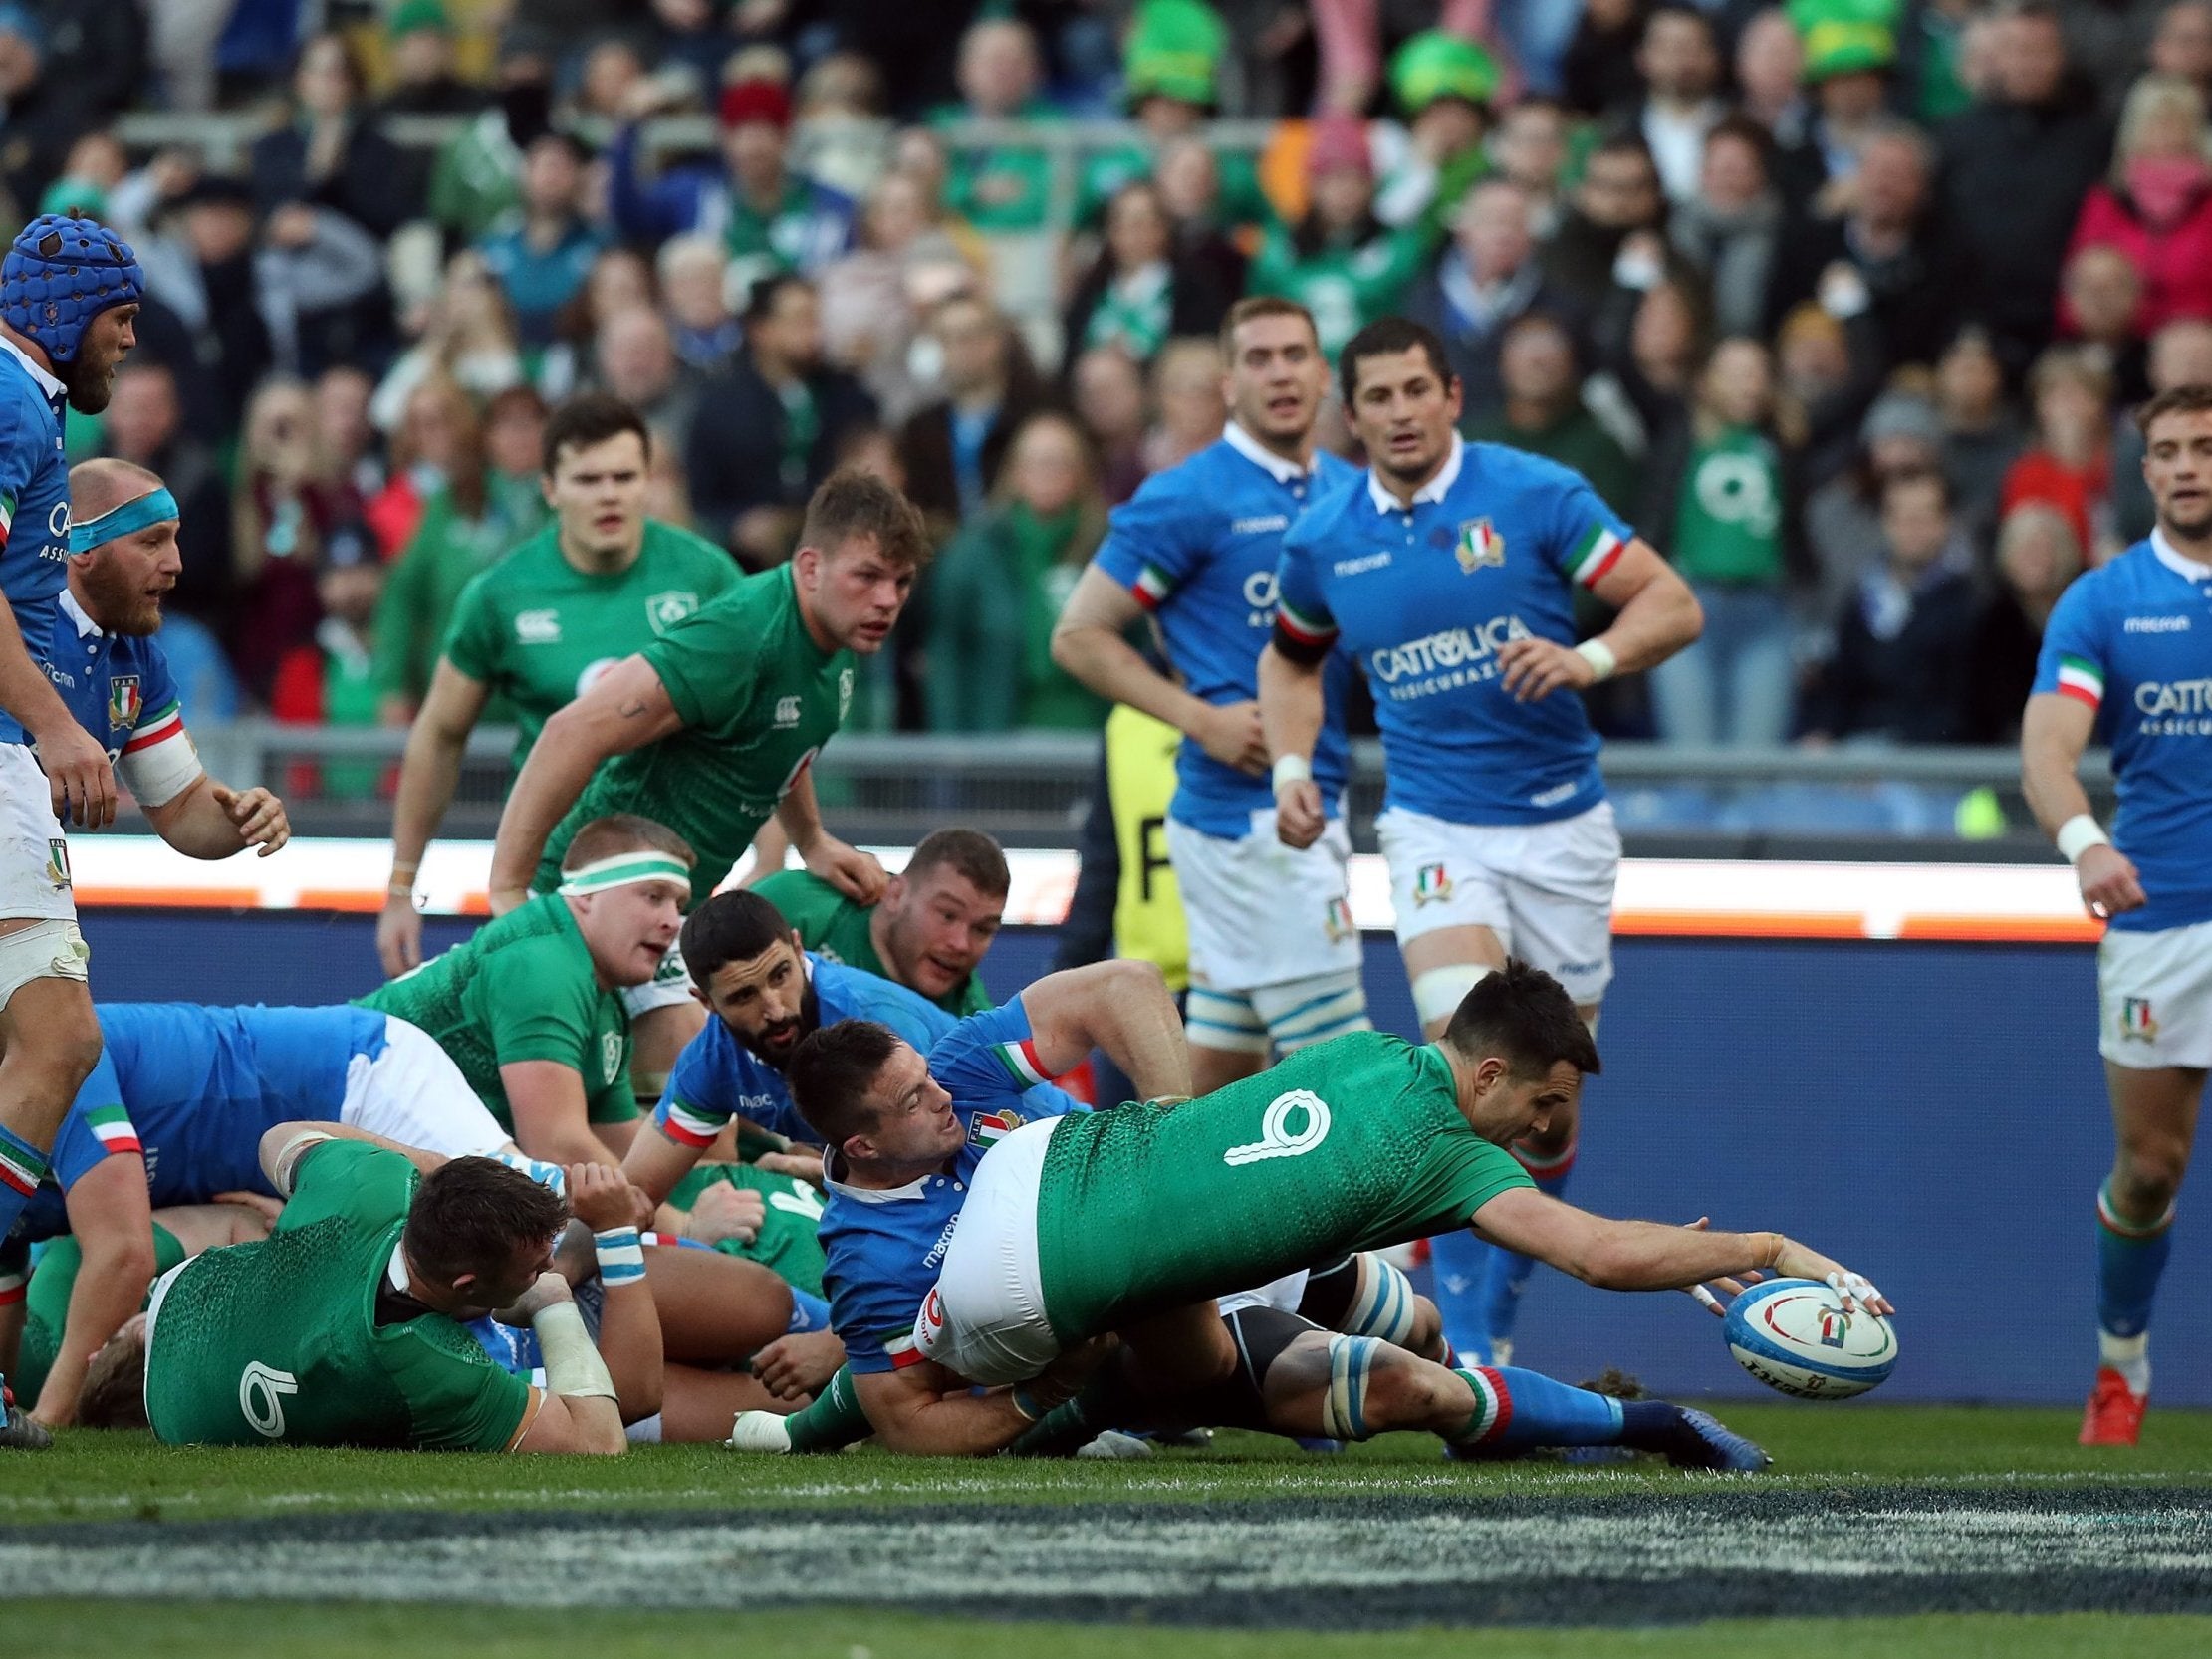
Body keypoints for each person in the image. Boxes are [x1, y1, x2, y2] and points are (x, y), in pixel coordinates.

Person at [766, 959, 1884, 1463]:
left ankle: (1155, 1385)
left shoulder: (1365, 1053)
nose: (1546, 1136)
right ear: (1489, 1078)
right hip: (1037, 1282)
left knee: (1387, 1319)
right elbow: (1591, 1253)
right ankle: (1647, 1425)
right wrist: (1769, 1245)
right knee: (1400, 1371)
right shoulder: (1447, 1148)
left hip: (1070, 1180)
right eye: (1543, 1107)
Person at [1258, 316, 1702, 1366]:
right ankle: (1459, 1336)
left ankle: (1492, 1315)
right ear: (1350, 413)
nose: (1401, 412)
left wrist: (1586, 660)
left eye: (1417, 390)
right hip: (1432, 821)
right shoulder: (1324, 539)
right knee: (1470, 1065)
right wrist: (1289, 768)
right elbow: (1288, 664)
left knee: (1545, 1112)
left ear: (1451, 396)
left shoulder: (1534, 493)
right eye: (1378, 397)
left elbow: (1672, 605)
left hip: (1560, 824)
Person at [484, 470, 928, 1067]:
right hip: (591, 905)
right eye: (868, 577)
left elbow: (782, 743)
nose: (887, 600)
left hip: (662, 910)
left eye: (902, 582)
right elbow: (571, 730)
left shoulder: (838, 641)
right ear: (810, 567)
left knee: (683, 1104)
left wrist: (812, 842)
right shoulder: (740, 637)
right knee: (698, 1094)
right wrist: (510, 888)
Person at [1054, 297, 1368, 1096]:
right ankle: (1389, 1231)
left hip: (1305, 803)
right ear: (1229, 384)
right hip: (1247, 822)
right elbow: (1079, 634)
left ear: (1323, 374)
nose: (1280, 374)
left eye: (1295, 355)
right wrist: (1200, 719)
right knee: (1342, 1078)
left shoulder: (1349, 494)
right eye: (1258, 359)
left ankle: (1136, 1213)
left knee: (1210, 1078)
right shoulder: (1188, 496)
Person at [375, 395, 738, 1082]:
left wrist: (784, 850)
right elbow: (439, 733)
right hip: (554, 880)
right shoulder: (501, 593)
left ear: (648, 480)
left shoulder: (705, 577)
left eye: (625, 478)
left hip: (679, 875)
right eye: (587, 479)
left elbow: (759, 715)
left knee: (679, 1057)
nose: (609, 495)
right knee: (564, 1073)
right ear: (549, 488)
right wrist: (401, 886)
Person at [2, 999, 524, 1426]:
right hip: (306, 1177)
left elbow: (123, 1255)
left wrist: (49, 1414)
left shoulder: (60, 1062)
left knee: (536, 1211)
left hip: (355, 1087)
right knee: (450, 1304)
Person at [2021, 382, 2212, 1446]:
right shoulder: (2104, 601)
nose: (2187, 467)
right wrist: (2082, 840)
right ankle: (2121, 1363)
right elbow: (2048, 746)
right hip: (2162, 914)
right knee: (2149, 1168)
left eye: (2204, 448)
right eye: (2168, 452)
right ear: (2146, 473)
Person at [0, 213, 141, 1449]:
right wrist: (51, 724)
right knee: (57, 1037)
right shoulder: (7, 393)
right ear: (65, 313)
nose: (129, 342)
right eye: (118, 316)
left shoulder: (22, 402)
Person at [110, 1133, 631, 1452]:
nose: (547, 1267)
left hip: (186, 1308)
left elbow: (279, 1137)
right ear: (465, 1284)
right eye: (537, 1264)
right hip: (181, 1411)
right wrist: (553, 1303)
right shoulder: (431, 1367)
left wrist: (424, 1164)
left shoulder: (373, 1184)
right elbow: (599, 1442)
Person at [622, 890, 1076, 1198]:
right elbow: (634, 1195)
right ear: (706, 1002)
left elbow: (941, 1170)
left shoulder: (876, 1019)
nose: (775, 1008)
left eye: (781, 975)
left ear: (798, 949)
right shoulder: (711, 1064)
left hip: (1063, 1158)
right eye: (743, 996)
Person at [363, 816, 693, 1168]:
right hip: (324, 1096)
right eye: (654, 897)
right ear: (587, 894)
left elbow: (627, 1151)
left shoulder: (604, 1000)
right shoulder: (544, 965)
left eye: (679, 905)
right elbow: (555, 1150)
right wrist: (690, 1221)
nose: (673, 922)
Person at [51, 459, 292, 859]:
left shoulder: (138, 659)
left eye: (175, 540)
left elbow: (181, 808)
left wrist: (243, 821)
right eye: (152, 542)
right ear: (84, 548)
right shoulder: (21, 624)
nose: (175, 563)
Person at [683, 274, 878, 567]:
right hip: (745, 563)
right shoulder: (720, 406)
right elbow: (699, 499)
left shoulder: (849, 397)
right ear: (760, 329)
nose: (813, 332)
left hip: (835, 553)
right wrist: (737, 524)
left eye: (816, 319)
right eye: (799, 319)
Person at [1802, 468, 1979, 745]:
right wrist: (1821, 733)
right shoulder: (1863, 596)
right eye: (1902, 517)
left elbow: (1964, 710)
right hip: (1855, 753)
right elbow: (1839, 683)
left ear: (1945, 522)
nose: (1913, 528)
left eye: (1924, 516)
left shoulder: (1971, 605)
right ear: (1885, 523)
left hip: (1929, 764)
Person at [755, 828, 1008, 1016]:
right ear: (896, 894)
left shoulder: (972, 1028)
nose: (961, 944)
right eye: (948, 915)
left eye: (982, 929)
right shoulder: (798, 901)